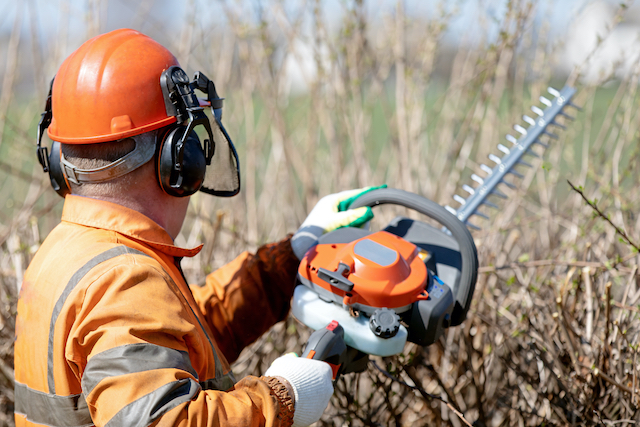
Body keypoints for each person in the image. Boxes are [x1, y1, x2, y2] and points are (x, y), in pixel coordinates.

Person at [14, 28, 376, 427]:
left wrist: (288, 260)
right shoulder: (123, 280)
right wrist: (279, 399)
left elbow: (174, 338)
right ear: (178, 158)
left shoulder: (74, 251)